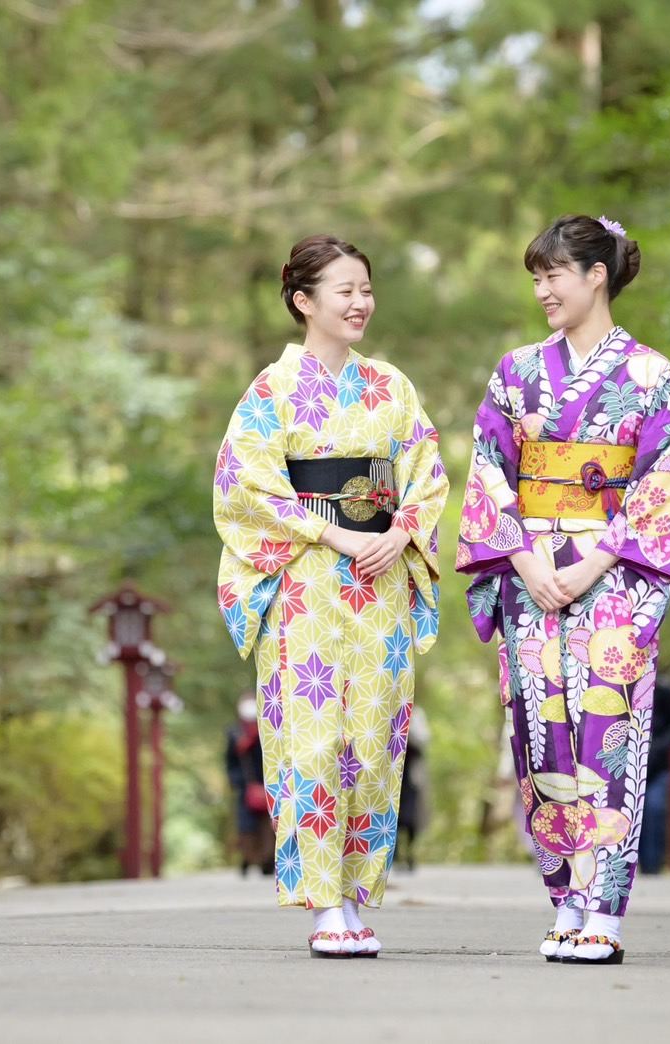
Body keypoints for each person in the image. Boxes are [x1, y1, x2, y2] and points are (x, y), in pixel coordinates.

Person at [456, 214, 670, 965]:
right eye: (536, 276)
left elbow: (668, 480)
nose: (542, 290)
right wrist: (526, 561)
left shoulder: (651, 376)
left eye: (553, 273)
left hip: (614, 578)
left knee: (611, 734)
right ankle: (565, 899)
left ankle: (605, 910)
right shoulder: (515, 372)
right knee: (539, 737)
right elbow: (488, 470)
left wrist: (595, 563)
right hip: (531, 575)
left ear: (597, 274)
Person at [213, 234, 449, 959]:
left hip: (379, 581)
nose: (359, 303)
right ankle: (321, 905)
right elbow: (244, 484)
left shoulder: (392, 387)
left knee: (372, 741)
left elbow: (429, 475)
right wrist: (335, 535)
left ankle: (354, 895)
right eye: (344, 290)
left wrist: (402, 528)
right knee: (312, 741)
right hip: (306, 584)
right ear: (303, 301)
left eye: (366, 289)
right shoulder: (270, 391)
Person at [637, 679, 670, 875]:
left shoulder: (665, 694)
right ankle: (635, 862)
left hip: (658, 767)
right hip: (631, 767)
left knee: (655, 810)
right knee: (633, 815)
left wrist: (659, 746)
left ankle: (653, 863)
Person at [225, 693, 275, 878]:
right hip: (246, 787)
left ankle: (267, 860)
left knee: (268, 824)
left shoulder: (268, 727)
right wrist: (237, 782)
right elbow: (230, 761)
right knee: (246, 826)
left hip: (267, 783)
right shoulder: (234, 732)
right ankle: (248, 858)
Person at [396, 705, 432, 871]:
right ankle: (393, 854)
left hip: (411, 773)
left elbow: (424, 738)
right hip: (393, 773)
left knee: (411, 817)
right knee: (393, 814)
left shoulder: (415, 714)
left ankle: (409, 853)